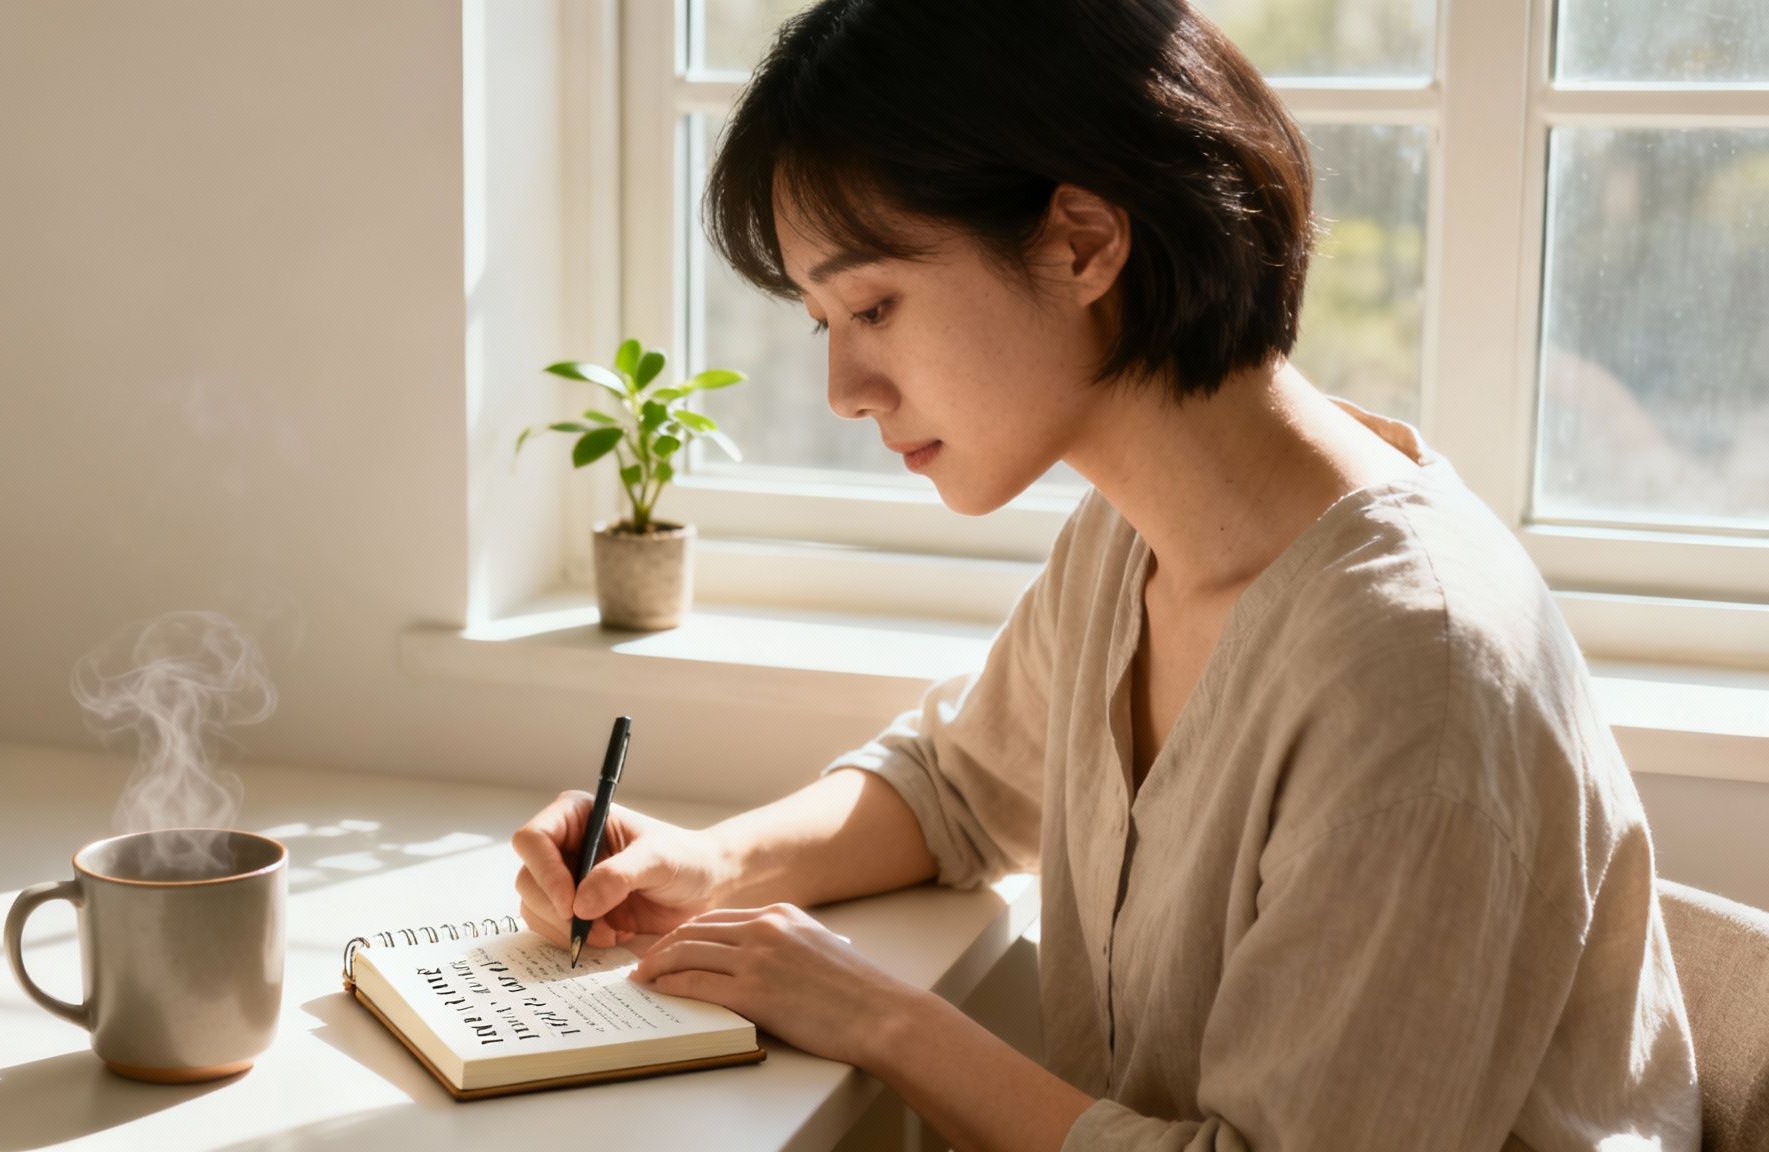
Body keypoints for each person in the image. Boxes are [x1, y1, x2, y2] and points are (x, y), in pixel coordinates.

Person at [511, 1, 1701, 1147]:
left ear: (1082, 240)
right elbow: (958, 788)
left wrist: (876, 1015)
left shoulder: (1413, 671)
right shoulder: (1131, 536)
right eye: (826, 323)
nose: (845, 391)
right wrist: (708, 866)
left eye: (874, 304)